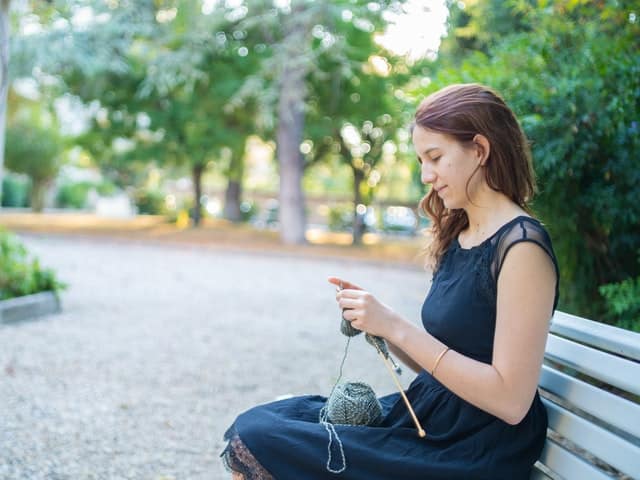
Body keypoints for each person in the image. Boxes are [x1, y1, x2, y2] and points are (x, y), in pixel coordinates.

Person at [220, 83, 559, 479]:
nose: (425, 175)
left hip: (472, 446)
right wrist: (377, 323)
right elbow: (441, 365)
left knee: (264, 438)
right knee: (266, 424)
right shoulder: (463, 235)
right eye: (420, 160)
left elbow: (510, 400)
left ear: (480, 150)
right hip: (435, 418)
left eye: (435, 157)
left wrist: (395, 325)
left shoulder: (522, 248)